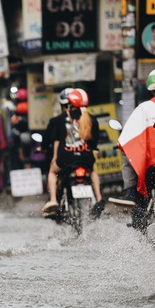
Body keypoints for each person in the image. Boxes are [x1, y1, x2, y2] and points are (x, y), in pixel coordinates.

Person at [42, 88, 105, 218]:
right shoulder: (92, 119)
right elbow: (94, 144)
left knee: (52, 172)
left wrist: (53, 156)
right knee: (92, 171)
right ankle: (99, 199)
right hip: (86, 159)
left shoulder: (59, 120)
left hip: (66, 158)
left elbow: (56, 141)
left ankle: (53, 199)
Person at [109, 68, 155, 207]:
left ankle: (131, 192)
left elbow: (127, 138)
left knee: (126, 156)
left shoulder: (144, 108)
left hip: (154, 163)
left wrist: (122, 144)